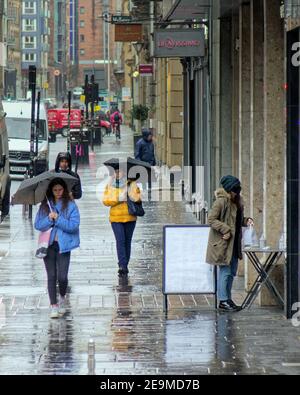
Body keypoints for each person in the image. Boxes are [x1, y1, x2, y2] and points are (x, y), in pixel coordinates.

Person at [206, 175, 254, 312]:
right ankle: (223, 300)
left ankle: (227, 298)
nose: (236, 193)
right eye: (234, 190)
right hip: (224, 244)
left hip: (234, 243)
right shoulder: (221, 202)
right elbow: (211, 219)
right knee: (225, 272)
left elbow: (237, 220)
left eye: (237, 190)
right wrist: (225, 229)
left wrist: (246, 221)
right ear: (228, 190)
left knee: (232, 272)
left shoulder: (237, 202)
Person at [35, 178, 80, 319]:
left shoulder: (71, 205)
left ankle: (62, 297)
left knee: (62, 277)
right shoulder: (45, 206)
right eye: (55, 190)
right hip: (48, 246)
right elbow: (38, 225)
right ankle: (53, 305)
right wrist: (49, 218)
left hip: (64, 246)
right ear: (50, 191)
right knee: (51, 276)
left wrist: (58, 219)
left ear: (64, 190)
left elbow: (73, 226)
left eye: (60, 190)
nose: (58, 193)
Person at [103, 168, 141, 277]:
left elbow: (138, 198)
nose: (118, 173)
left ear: (124, 172)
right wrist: (118, 198)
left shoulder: (131, 183)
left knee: (127, 242)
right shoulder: (110, 184)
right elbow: (105, 200)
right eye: (115, 171)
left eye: (120, 171)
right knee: (120, 241)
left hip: (130, 218)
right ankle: (122, 265)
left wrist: (129, 195)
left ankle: (125, 264)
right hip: (116, 219)